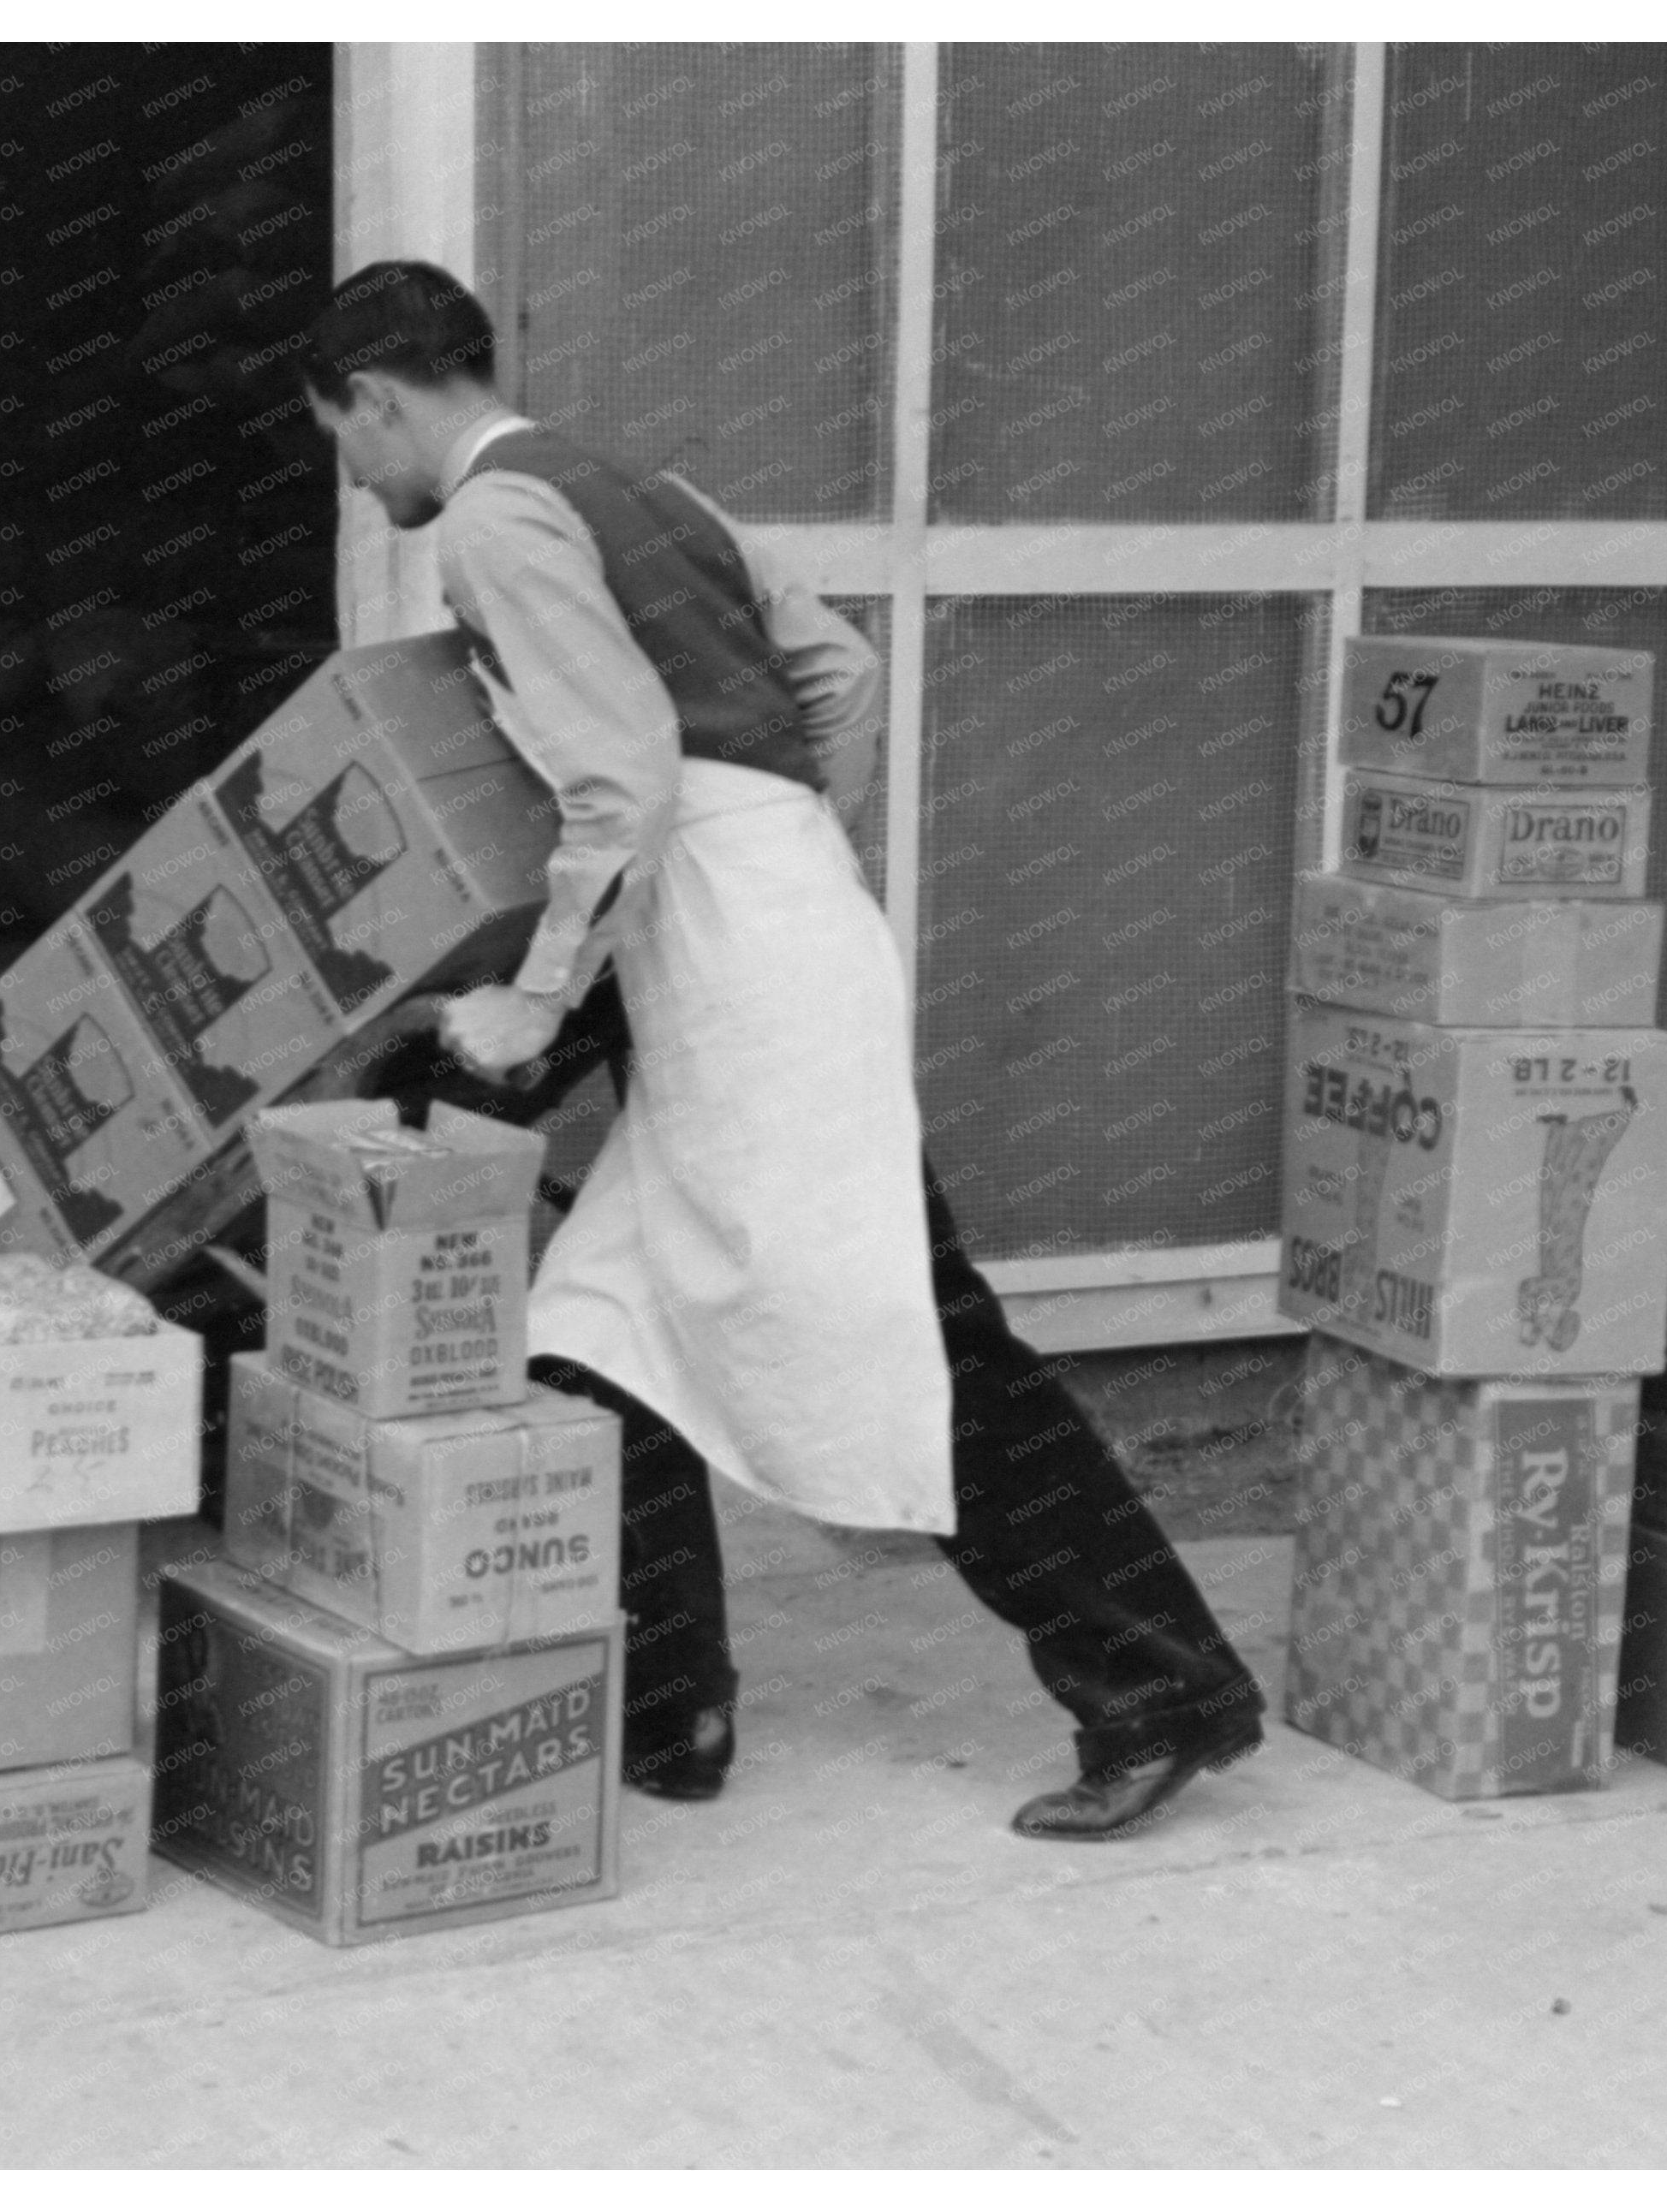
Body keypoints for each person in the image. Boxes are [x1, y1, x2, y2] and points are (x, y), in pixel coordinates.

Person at [295, 262, 1264, 1840]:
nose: (349, 473)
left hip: (730, 930)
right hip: (758, 904)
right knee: (596, 1332)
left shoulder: (488, 522)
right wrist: (790, 846)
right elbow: (837, 672)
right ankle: (669, 1707)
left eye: (338, 436)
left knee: (919, 1338)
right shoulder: (639, 483)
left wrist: (535, 1002)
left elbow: (617, 773)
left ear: (378, 398)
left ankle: (1160, 1690)